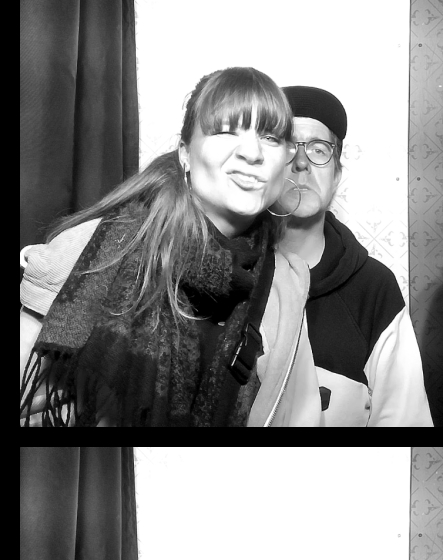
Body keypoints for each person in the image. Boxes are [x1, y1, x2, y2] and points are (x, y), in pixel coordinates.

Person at [19, 66, 324, 426]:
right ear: (185, 154)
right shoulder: (98, 249)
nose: (252, 153)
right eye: (227, 131)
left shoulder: (286, 282)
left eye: (270, 137)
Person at [274, 86, 434, 426]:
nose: (301, 162)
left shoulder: (374, 287)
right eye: (287, 146)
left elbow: (405, 421)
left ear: (336, 176)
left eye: (319, 149)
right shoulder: (231, 274)